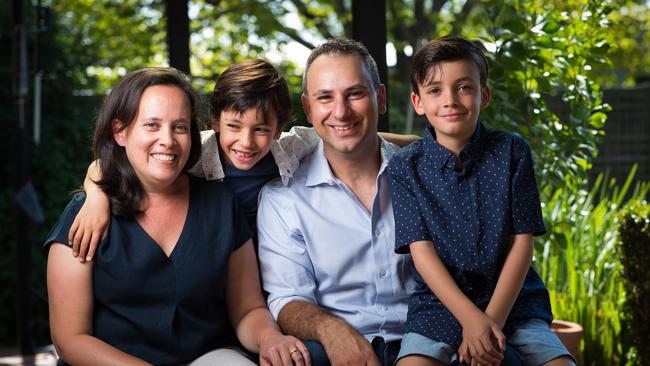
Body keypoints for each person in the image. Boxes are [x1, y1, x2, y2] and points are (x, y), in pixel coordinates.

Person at [45, 67, 310, 366]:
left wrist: (269, 337)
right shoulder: (86, 215)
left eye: (180, 127)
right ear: (120, 131)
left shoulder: (220, 203)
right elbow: (70, 339)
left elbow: (248, 309)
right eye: (152, 125)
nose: (167, 140)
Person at [68, 59, 416, 261]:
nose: (246, 142)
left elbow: (356, 136)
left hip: (275, 266)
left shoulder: (292, 146)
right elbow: (114, 162)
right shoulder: (193, 151)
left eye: (262, 129)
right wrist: (96, 197)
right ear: (214, 121)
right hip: (218, 264)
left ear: (280, 128)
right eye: (233, 126)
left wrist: (421, 144)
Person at [388, 36, 575, 366]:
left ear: (483, 94)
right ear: (418, 102)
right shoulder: (405, 166)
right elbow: (421, 252)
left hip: (513, 303)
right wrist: (471, 320)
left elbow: (522, 244)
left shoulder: (512, 152)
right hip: (439, 306)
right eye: (435, 90)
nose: (450, 100)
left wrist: (491, 323)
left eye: (463, 87)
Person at [256, 38, 412, 366]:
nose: (340, 111)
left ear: (379, 98)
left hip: (428, 338)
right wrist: (331, 330)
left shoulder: (424, 178)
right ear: (308, 108)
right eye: (325, 97)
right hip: (334, 349)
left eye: (354, 93)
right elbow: (288, 298)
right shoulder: (282, 200)